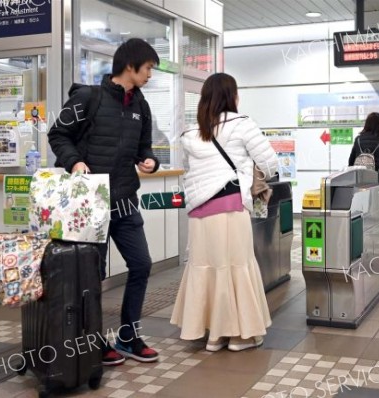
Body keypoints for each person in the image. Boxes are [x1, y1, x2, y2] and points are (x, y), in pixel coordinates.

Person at [48, 38, 161, 366]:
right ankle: (93, 341)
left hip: (124, 199)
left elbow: (146, 146)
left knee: (141, 264)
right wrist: (74, 162)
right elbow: (58, 134)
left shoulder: (141, 105)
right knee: (91, 274)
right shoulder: (88, 97)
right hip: (89, 201)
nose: (150, 74)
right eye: (149, 68)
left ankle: (128, 336)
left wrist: (149, 160)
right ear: (130, 66)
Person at [170, 73, 278, 352]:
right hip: (230, 208)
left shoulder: (192, 132)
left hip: (199, 213)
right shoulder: (242, 125)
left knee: (206, 268)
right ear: (232, 96)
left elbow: (190, 172)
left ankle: (214, 335)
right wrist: (257, 175)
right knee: (235, 266)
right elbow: (270, 162)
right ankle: (239, 336)